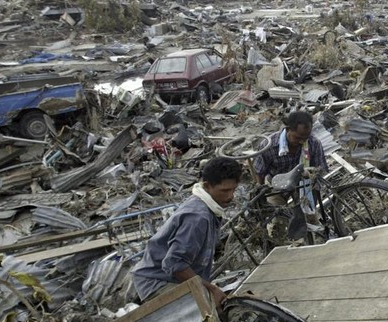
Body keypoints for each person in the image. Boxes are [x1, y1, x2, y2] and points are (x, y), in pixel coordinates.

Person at [131, 157, 242, 305]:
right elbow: (174, 263)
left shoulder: (208, 208)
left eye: (233, 190)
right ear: (208, 186)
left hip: (169, 276)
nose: (230, 196)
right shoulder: (198, 218)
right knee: (205, 314)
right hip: (158, 281)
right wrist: (211, 289)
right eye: (225, 190)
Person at [253, 110, 328, 190]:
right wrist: (261, 190)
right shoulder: (269, 146)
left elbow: (320, 169)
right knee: (274, 201)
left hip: (303, 184)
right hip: (277, 185)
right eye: (298, 138)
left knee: (310, 199)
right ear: (288, 129)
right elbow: (259, 172)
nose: (302, 141)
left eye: (305, 138)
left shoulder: (313, 143)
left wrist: (312, 176)